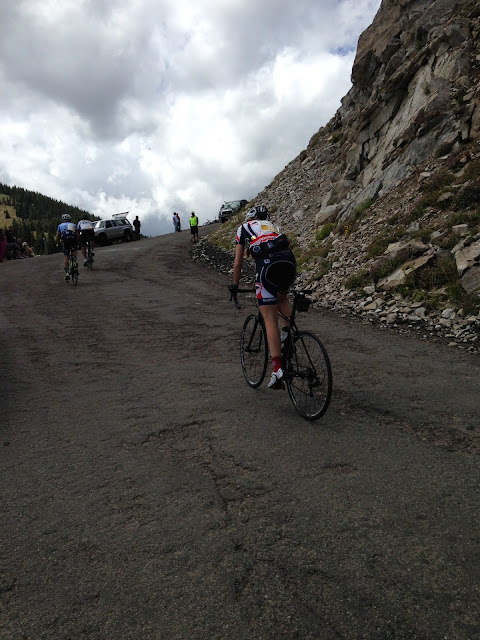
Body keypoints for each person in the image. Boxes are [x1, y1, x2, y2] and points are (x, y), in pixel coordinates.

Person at [230, 205, 296, 389]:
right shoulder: (273, 227)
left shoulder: (244, 228)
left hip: (267, 267)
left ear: (250, 218)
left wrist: (235, 285)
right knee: (282, 299)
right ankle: (288, 339)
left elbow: (238, 262)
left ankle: (277, 371)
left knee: (269, 318)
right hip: (289, 261)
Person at [56, 213, 78, 280]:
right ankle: (75, 261)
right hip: (73, 240)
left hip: (65, 241)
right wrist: (78, 242)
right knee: (74, 251)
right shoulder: (73, 225)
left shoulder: (60, 225)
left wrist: (58, 243)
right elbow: (77, 235)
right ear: (70, 219)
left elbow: (57, 236)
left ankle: (67, 272)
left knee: (66, 256)